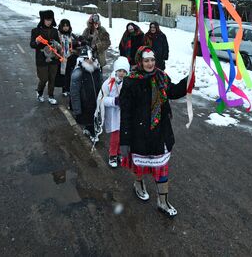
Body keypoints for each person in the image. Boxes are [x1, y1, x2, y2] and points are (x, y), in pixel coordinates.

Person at [119, 46, 191, 217]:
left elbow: (173, 92)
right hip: (139, 134)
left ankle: (163, 201)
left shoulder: (161, 77)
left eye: (152, 60)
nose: (150, 63)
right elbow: (126, 114)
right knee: (140, 165)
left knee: (161, 168)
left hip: (160, 132)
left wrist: (189, 80)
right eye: (146, 60)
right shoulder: (130, 81)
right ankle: (138, 184)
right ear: (140, 61)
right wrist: (125, 140)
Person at [94, 56, 130, 168]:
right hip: (114, 115)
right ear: (115, 70)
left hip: (124, 115)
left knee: (123, 136)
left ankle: (120, 153)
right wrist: (115, 101)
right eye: (119, 70)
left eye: (124, 71)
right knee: (115, 137)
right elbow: (101, 99)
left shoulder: (129, 83)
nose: (121, 73)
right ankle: (112, 154)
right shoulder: (109, 83)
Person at [70, 46, 102, 138]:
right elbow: (74, 93)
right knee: (88, 119)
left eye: (91, 58)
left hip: (96, 100)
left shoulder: (96, 70)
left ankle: (92, 129)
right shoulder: (78, 73)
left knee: (95, 117)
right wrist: (77, 110)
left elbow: (101, 84)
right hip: (85, 103)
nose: (90, 60)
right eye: (87, 58)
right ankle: (91, 131)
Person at [30, 10, 61, 105]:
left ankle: (51, 96)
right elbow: (32, 44)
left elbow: (59, 44)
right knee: (44, 79)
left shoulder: (55, 31)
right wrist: (37, 42)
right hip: (41, 59)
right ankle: (39, 92)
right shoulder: (35, 31)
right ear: (43, 20)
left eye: (50, 20)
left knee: (52, 78)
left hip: (53, 58)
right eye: (47, 20)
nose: (49, 22)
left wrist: (57, 44)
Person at [57, 19, 80, 96]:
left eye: (67, 26)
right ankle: (64, 89)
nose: (66, 28)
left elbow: (76, 44)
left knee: (69, 73)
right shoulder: (58, 35)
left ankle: (67, 88)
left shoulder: (71, 35)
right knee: (62, 74)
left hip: (70, 57)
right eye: (64, 26)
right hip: (61, 57)